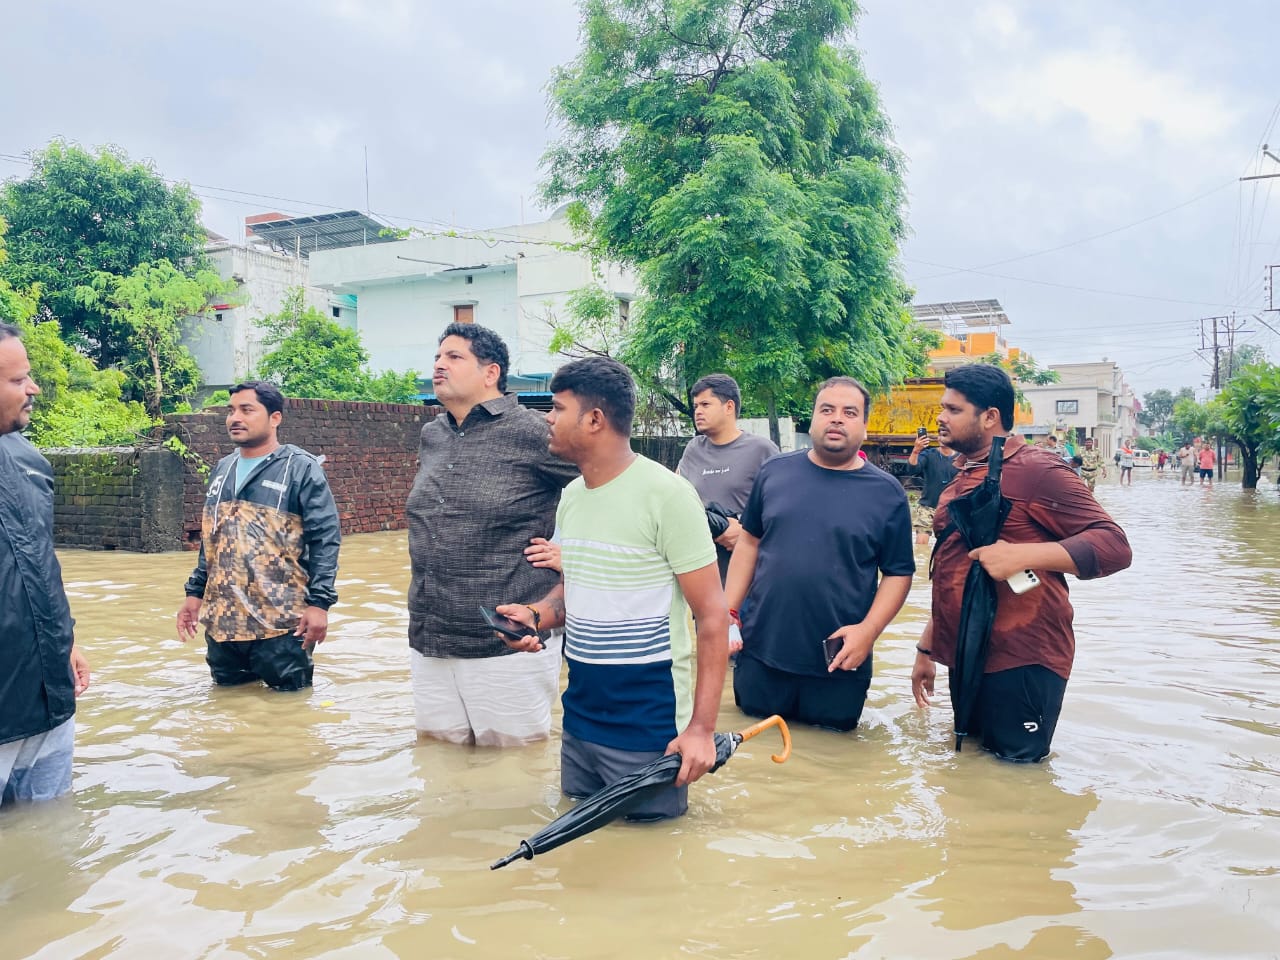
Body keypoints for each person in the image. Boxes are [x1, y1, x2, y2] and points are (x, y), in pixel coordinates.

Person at [498, 357, 728, 820]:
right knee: (582, 847)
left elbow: (712, 616)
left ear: (594, 419)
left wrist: (701, 731)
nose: (548, 418)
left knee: (652, 848)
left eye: (558, 408)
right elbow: (574, 589)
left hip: (649, 722)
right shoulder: (572, 497)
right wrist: (536, 616)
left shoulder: (667, 495)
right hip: (581, 717)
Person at [913, 364, 1132, 762]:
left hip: (1023, 658)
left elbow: (1114, 545)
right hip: (965, 652)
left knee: (1019, 775)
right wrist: (927, 649)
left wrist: (1022, 555)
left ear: (990, 417)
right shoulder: (961, 476)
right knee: (972, 768)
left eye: (953, 410)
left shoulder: (1036, 470)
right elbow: (954, 573)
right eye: (943, 407)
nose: (941, 417)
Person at [405, 323, 577, 746]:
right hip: (431, 636)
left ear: (491, 372)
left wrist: (574, 554)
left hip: (507, 641)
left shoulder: (533, 431)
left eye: (454, 357)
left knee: (514, 768)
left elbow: (606, 484)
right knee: (438, 760)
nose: (439, 365)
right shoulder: (433, 435)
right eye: (437, 356)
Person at [724, 377, 915, 732]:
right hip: (762, 651)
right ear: (812, 419)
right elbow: (749, 542)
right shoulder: (774, 472)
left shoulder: (887, 494)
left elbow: (898, 572)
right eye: (827, 409)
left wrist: (869, 631)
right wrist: (728, 612)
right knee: (752, 747)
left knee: (833, 755)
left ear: (865, 426)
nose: (837, 418)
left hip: (840, 659)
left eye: (849, 412)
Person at [177, 381, 340, 691]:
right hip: (224, 625)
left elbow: (325, 541)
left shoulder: (299, 469)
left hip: (281, 625)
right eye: (231, 411)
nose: (235, 418)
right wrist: (194, 594)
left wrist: (320, 604)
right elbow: (212, 540)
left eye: (247, 410)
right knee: (228, 707)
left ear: (275, 417)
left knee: (290, 709)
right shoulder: (222, 469)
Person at [0, 323, 91, 805]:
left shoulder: (29, 461)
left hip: (47, 693)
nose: (33, 389)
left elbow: (40, 562)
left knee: (48, 830)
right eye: (18, 380)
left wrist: (65, 640)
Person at [676, 373, 779, 585]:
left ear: (729, 407)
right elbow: (675, 500)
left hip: (748, 578)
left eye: (705, 404)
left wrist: (746, 533)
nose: (698, 411)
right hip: (700, 574)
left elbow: (783, 511)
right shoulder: (693, 449)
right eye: (696, 406)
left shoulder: (761, 449)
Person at [907, 429, 958, 544]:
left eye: (945, 435)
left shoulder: (961, 458)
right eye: (940, 435)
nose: (942, 438)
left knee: (948, 545)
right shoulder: (929, 454)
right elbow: (912, 469)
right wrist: (915, 451)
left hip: (950, 510)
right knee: (921, 545)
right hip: (928, 507)